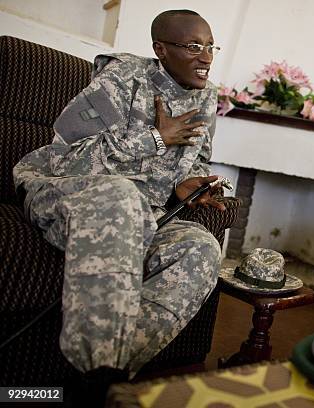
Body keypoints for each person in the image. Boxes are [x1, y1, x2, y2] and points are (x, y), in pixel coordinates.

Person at [12, 9, 224, 398]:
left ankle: (100, 380)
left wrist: (186, 186)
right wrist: (155, 138)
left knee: (201, 247)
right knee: (122, 196)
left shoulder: (208, 98)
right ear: (161, 49)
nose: (206, 56)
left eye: (211, 46)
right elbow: (65, 156)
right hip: (65, 192)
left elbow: (193, 162)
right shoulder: (124, 78)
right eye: (194, 46)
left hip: (144, 212)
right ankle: (95, 367)